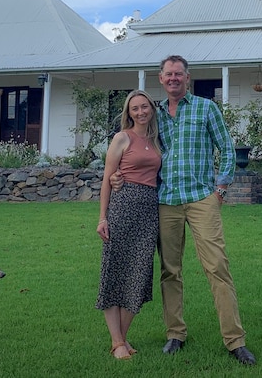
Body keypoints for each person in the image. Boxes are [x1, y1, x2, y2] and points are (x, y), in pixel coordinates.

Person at [113, 55, 256, 366]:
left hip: (202, 197)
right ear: (161, 80)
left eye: (179, 74)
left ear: (187, 78)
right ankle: (175, 333)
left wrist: (221, 187)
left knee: (217, 266)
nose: (174, 78)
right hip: (166, 200)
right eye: (168, 74)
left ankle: (235, 340)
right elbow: (136, 146)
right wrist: (117, 173)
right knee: (170, 270)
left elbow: (227, 148)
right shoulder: (154, 115)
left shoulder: (206, 108)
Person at [95, 89, 162, 360]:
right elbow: (107, 178)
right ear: (128, 112)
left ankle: (120, 339)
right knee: (115, 272)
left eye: (144, 107)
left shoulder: (158, 141)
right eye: (135, 108)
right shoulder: (122, 138)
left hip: (148, 212)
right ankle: (117, 342)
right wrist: (102, 217)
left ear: (151, 109)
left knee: (139, 274)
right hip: (122, 208)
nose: (141, 112)